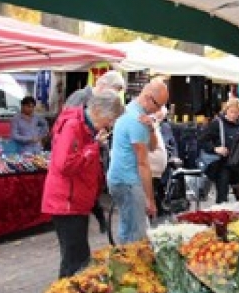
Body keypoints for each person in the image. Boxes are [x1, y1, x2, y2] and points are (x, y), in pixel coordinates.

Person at [42, 91, 123, 278]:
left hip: (76, 201)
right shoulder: (73, 126)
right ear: (98, 111)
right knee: (75, 260)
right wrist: (93, 147)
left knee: (77, 257)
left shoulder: (85, 127)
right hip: (67, 202)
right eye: (110, 119)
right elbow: (64, 165)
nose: (109, 125)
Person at [107, 78, 168, 244]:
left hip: (121, 179)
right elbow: (143, 163)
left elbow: (153, 147)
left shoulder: (135, 114)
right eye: (158, 105)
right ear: (148, 98)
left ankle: (122, 262)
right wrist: (150, 199)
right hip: (129, 182)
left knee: (128, 228)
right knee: (137, 238)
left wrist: (152, 127)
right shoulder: (136, 119)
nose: (159, 110)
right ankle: (129, 266)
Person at [65, 70, 125, 233]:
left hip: (90, 157)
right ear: (103, 85)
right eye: (116, 89)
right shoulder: (80, 98)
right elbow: (70, 136)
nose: (116, 94)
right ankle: (99, 219)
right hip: (81, 162)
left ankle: (100, 220)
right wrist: (93, 144)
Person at [199, 98, 239, 204]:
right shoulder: (217, 124)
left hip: (237, 167)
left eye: (236, 112)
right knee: (222, 199)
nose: (233, 115)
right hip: (222, 166)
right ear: (226, 110)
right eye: (231, 111)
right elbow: (202, 140)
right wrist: (215, 149)